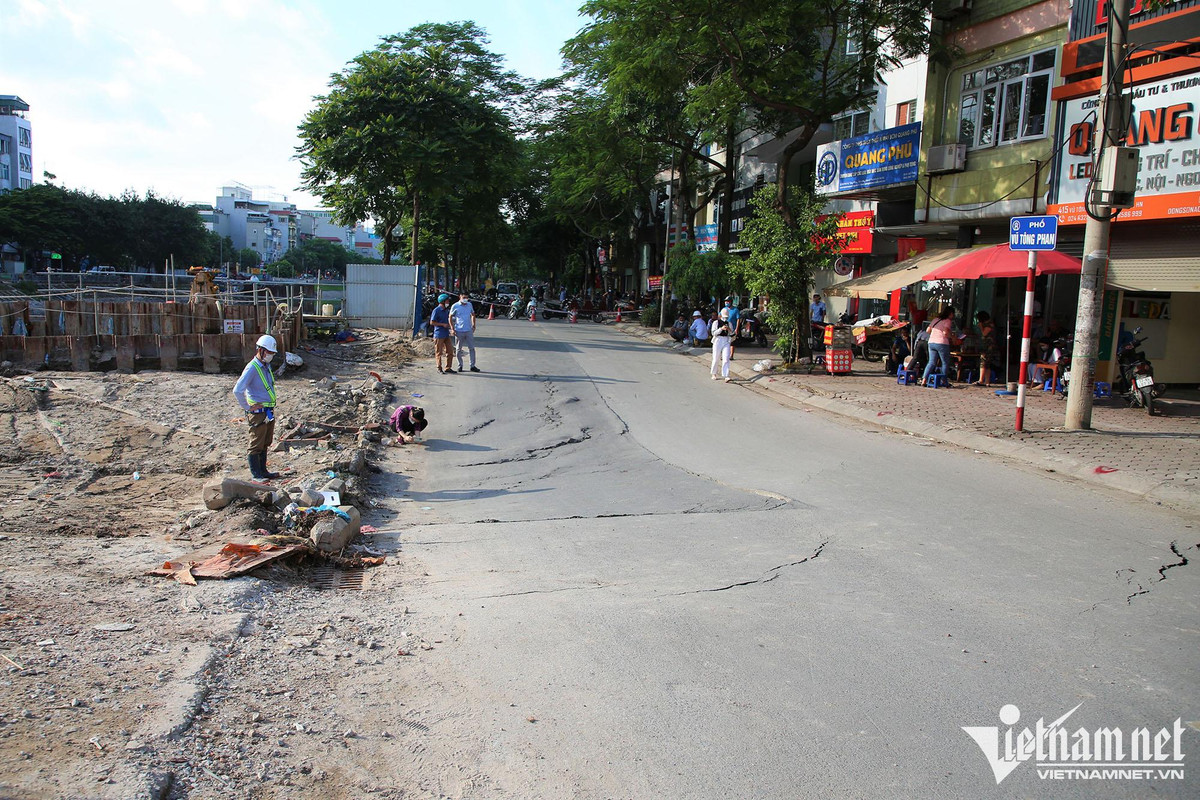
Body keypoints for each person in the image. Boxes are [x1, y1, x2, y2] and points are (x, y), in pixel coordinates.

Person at [232, 334, 281, 480]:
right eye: (269, 353)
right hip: (258, 413)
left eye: (272, 353)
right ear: (261, 350)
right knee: (256, 443)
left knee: (265, 441)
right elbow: (237, 390)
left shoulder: (266, 366)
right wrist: (247, 407)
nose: (271, 356)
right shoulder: (252, 368)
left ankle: (263, 471)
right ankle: (256, 474)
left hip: (268, 411)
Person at [920, 307, 959, 386]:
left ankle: (924, 379)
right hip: (942, 343)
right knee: (945, 362)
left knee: (931, 362)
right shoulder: (947, 321)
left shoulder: (936, 320)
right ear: (950, 314)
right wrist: (952, 337)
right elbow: (945, 333)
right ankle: (944, 381)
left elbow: (928, 330)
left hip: (931, 342)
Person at [450, 292, 480, 372]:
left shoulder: (469, 305)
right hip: (459, 330)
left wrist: (473, 325)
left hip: (468, 330)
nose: (465, 299)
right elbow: (450, 317)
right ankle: (460, 365)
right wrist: (452, 328)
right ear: (460, 297)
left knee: (472, 348)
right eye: (464, 297)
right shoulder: (455, 306)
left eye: (466, 297)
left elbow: (473, 314)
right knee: (458, 349)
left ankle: (472, 365)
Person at [430, 293, 454, 373]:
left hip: (446, 334)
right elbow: (432, 322)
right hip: (439, 334)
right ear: (443, 301)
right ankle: (439, 368)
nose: (448, 302)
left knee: (450, 351)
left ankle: (448, 367)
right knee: (439, 352)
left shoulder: (446, 310)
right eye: (447, 300)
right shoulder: (436, 310)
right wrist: (442, 324)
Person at [974, 310, 998, 386]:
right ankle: (987, 381)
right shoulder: (990, 324)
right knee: (987, 364)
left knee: (983, 362)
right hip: (988, 346)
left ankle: (981, 380)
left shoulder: (989, 325)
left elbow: (984, 334)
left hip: (988, 347)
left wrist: (981, 327)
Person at [710, 308, 733, 382]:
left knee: (726, 358)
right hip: (718, 340)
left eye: (726, 317)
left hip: (726, 340)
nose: (725, 318)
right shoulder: (716, 323)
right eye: (724, 316)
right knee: (716, 358)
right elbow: (713, 333)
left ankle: (726, 375)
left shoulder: (729, 323)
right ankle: (714, 373)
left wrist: (729, 330)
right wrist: (721, 329)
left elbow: (732, 334)